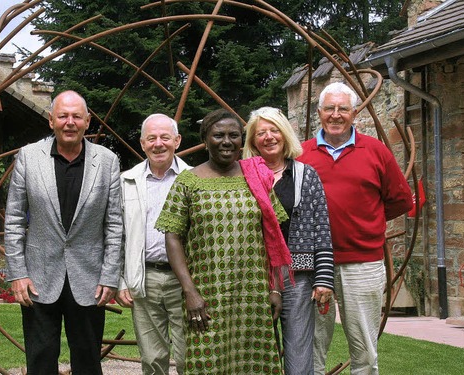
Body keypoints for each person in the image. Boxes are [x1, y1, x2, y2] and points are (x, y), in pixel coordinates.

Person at [155, 108, 290, 374]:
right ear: (205, 139)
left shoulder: (257, 177)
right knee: (207, 362)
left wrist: (275, 289)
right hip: (207, 295)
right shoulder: (188, 182)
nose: (226, 141)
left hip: (253, 295)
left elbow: (272, 236)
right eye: (218, 135)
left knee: (254, 363)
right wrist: (190, 292)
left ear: (242, 140)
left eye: (233, 135)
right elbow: (172, 237)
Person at [4, 90, 123, 375]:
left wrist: (110, 275)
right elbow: (14, 220)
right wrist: (18, 273)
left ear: (87, 121)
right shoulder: (29, 157)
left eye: (76, 116)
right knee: (40, 359)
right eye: (63, 116)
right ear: (51, 121)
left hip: (90, 279)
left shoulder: (107, 161)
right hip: (39, 277)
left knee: (88, 360)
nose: (69, 122)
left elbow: (115, 223)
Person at [298, 82, 413, 374]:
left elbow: (400, 201)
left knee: (364, 351)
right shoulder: (301, 155)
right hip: (311, 264)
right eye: (329, 108)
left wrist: (365, 220)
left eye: (343, 109)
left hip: (363, 263)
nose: (336, 115)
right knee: (310, 347)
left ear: (355, 113)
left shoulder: (375, 152)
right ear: (319, 112)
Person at [242, 106, 334, 375]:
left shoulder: (306, 175)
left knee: (298, 353)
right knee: (257, 352)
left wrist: (324, 278)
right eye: (261, 133)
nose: (268, 137)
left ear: (285, 135)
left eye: (274, 130)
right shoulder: (242, 175)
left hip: (298, 275)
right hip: (255, 275)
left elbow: (322, 228)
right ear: (252, 140)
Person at [117, 113, 192, 374]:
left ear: (177, 141)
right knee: (151, 359)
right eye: (151, 138)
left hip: (185, 281)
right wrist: (121, 280)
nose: (158, 144)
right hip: (144, 279)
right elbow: (117, 234)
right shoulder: (126, 181)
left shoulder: (195, 179)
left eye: (165, 137)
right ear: (142, 143)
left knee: (188, 357)